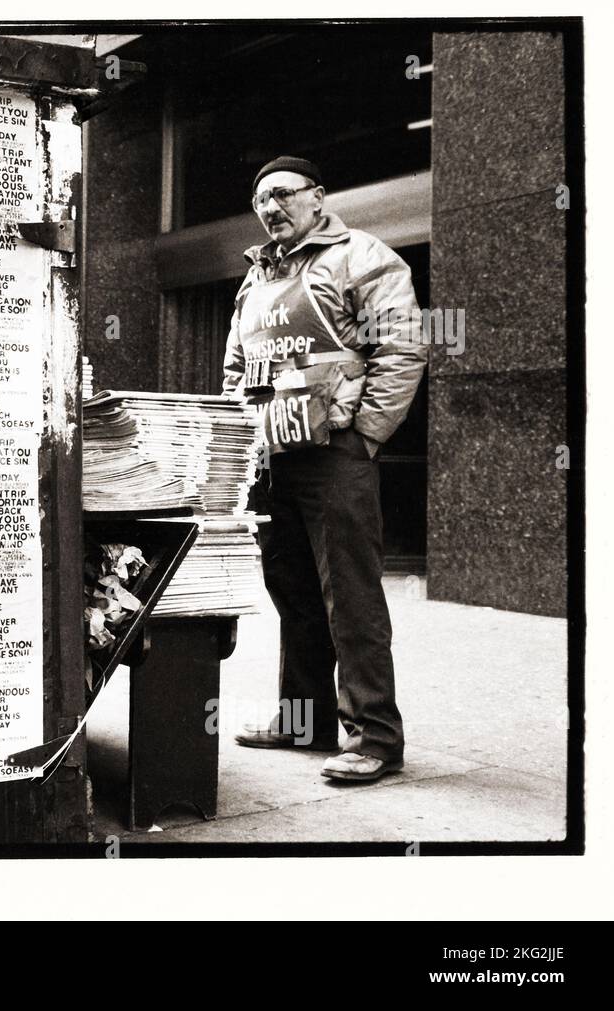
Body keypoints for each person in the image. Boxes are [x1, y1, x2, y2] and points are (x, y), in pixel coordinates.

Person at [221, 156, 425, 783]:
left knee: (351, 597)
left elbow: (401, 346)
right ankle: (304, 724)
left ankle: (375, 739)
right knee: (295, 594)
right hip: (274, 458)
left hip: (336, 454)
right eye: (261, 201)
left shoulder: (359, 258)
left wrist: (365, 434)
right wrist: (244, 441)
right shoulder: (255, 279)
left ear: (318, 197)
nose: (271, 208)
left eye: (283, 194)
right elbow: (236, 366)